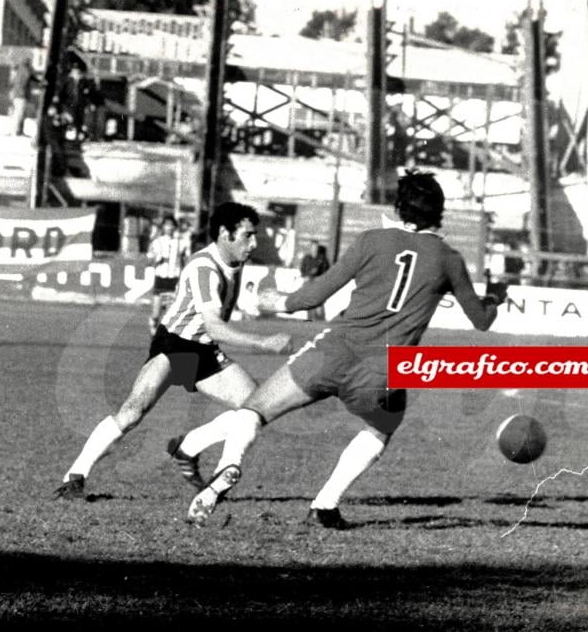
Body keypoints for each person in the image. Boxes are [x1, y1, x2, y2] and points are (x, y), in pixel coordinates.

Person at [185, 171, 501, 529]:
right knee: (383, 427)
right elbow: (481, 319)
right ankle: (325, 505)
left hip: (332, 353)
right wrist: (495, 298)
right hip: (383, 371)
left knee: (255, 409)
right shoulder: (449, 259)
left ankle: (228, 466)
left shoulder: (372, 241)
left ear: (399, 208)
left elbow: (317, 294)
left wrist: (277, 303)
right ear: (440, 213)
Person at [55, 203, 294, 500]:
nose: (254, 243)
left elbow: (218, 320)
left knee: (255, 408)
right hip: (176, 345)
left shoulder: (233, 260)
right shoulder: (203, 268)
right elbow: (215, 326)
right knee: (133, 411)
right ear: (224, 233)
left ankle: (189, 446)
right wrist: (262, 342)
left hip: (205, 348)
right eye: (247, 235)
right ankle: (75, 476)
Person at [148, 215, 185, 332]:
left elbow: (185, 262)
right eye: (166, 225)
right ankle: (153, 323)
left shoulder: (181, 243)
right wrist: (158, 260)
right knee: (156, 312)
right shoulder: (156, 242)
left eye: (171, 225)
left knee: (170, 313)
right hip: (161, 278)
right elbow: (149, 262)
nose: (169, 227)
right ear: (163, 227)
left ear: (174, 227)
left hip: (173, 280)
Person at [298, 240, 330, 321]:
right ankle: (309, 319)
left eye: (316, 247)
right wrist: (305, 276)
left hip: (318, 284)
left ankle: (320, 320)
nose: (314, 249)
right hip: (308, 283)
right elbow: (302, 270)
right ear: (310, 248)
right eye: (313, 247)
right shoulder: (306, 258)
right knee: (308, 302)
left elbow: (326, 271)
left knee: (318, 303)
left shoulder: (322, 259)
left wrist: (318, 277)